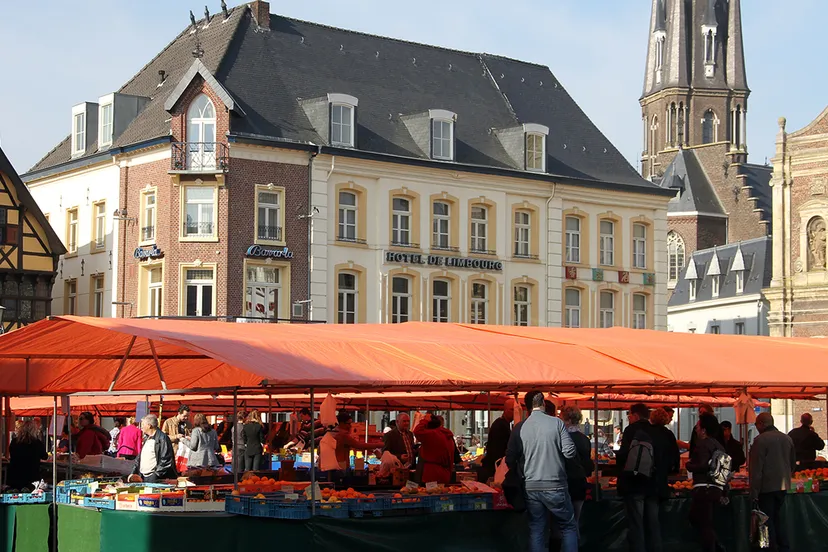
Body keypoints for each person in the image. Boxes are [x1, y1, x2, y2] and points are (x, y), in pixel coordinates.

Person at [505, 391, 577, 552]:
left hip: (531, 485)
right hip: (555, 484)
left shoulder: (519, 428)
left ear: (527, 407)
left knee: (537, 528)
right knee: (568, 526)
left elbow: (509, 458)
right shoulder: (556, 423)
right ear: (544, 404)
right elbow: (569, 452)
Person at [617, 403, 663, 552]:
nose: (628, 417)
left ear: (635, 415)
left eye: (629, 414)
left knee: (636, 523)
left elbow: (623, 456)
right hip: (653, 484)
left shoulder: (631, 430)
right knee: (653, 524)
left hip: (634, 483)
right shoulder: (659, 431)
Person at [750, 412, 795, 552]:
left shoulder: (760, 441)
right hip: (782, 485)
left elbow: (756, 469)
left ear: (762, 424)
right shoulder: (787, 438)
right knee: (778, 518)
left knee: (767, 521)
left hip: (766, 487)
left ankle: (772, 548)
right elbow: (792, 463)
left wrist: (754, 492)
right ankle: (784, 547)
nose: (756, 427)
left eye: (756, 424)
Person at [552, 406, 593, 550]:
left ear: (567, 420)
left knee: (559, 524)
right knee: (574, 522)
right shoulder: (584, 439)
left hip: (562, 483)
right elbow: (589, 465)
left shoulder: (560, 438)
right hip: (580, 484)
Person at [686, 413, 726, 552]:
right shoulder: (719, 445)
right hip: (716, 488)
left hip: (704, 488)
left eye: (697, 427)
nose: (696, 429)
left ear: (703, 430)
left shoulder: (703, 444)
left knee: (702, 522)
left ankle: (714, 547)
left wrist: (689, 465)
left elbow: (702, 465)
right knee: (706, 521)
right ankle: (715, 545)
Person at [130, 414, 177, 483]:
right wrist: (133, 473)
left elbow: (166, 459)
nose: (141, 427)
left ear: (149, 425)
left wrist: (156, 475)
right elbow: (139, 458)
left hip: (155, 478)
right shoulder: (147, 438)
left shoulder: (162, 438)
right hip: (144, 477)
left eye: (143, 424)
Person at [413, 413, 456, 485]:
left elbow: (417, 431)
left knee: (431, 494)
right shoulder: (446, 435)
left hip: (432, 474)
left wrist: (424, 421)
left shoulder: (433, 434)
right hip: (445, 474)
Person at [480, 398, 515, 484]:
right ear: (505, 410)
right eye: (512, 409)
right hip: (495, 467)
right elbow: (497, 450)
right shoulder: (500, 425)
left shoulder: (504, 424)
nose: (514, 412)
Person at [650, 408, 681, 500]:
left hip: (648, 469)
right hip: (663, 469)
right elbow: (675, 453)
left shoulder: (647, 432)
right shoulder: (668, 434)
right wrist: (675, 468)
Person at [7, 421, 47, 491]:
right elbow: (44, 456)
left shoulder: (14, 441)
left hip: (15, 474)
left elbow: (11, 453)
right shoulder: (36, 442)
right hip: (32, 475)